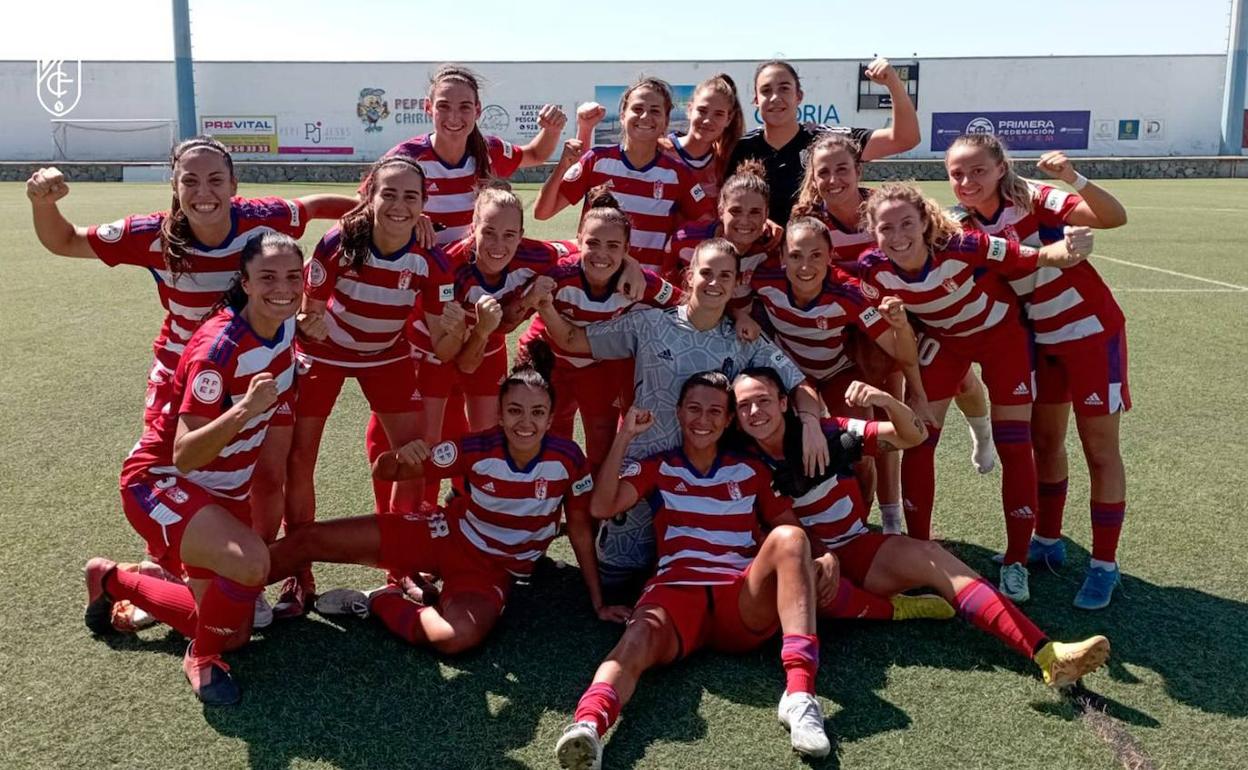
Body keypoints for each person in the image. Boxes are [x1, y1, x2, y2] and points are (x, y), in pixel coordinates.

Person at [27, 137, 353, 625]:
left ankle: (253, 574)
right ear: (175, 187)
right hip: (186, 376)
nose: (205, 192)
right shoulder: (151, 234)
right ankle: (165, 575)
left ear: (234, 185)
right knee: (177, 474)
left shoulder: (262, 218)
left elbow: (317, 205)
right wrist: (42, 203)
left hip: (264, 371)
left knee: (267, 474)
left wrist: (385, 209)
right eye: (191, 180)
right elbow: (65, 240)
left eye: (216, 179)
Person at [731, 368, 1111, 686]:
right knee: (807, 588)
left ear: (784, 403)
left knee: (932, 556)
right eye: (744, 405)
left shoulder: (828, 432)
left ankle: (1046, 653)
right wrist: (821, 556)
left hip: (857, 549)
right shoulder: (742, 464)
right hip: (806, 566)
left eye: (763, 400)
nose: (755, 411)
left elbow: (911, 436)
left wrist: (888, 401)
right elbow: (780, 532)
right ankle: (892, 609)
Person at [265, 351, 631, 655]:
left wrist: (598, 602)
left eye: (537, 413)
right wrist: (400, 457)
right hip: (442, 535)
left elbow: (581, 530)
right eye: (515, 411)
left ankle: (377, 601)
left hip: (489, 572)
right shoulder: (476, 448)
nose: (526, 422)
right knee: (307, 541)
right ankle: (229, 603)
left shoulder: (568, 459)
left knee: (454, 639)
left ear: (551, 418)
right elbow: (386, 472)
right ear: (500, 415)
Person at [555, 372, 830, 769]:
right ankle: (588, 727)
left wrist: (826, 554)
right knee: (636, 639)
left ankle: (800, 696)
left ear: (729, 420)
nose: (704, 419)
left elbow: (794, 531)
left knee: (789, 539)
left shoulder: (750, 470)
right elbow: (601, 507)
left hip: (741, 598)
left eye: (715, 411)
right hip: (677, 594)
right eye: (695, 409)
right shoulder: (659, 466)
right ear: (679, 412)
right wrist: (626, 436)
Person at [82, 232, 304, 706]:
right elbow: (185, 454)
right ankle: (201, 659)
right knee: (250, 564)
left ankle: (112, 580)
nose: (282, 287)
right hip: (160, 480)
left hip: (217, 493)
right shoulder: (218, 351)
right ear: (244, 282)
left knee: (237, 633)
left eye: (292, 276)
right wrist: (243, 410)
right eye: (267, 277)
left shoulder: (284, 325)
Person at [534, 238, 829, 591]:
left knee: (701, 576)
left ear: (736, 283)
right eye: (706, 273)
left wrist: (811, 421)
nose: (714, 283)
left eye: (725, 276)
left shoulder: (744, 338)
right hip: (641, 470)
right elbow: (571, 339)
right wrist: (546, 307)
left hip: (703, 485)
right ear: (689, 276)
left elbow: (799, 384)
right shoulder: (648, 324)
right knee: (616, 577)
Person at [858, 183, 1093, 602]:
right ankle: (921, 549)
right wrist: (917, 393)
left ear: (925, 221)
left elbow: (1034, 257)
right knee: (919, 437)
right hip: (947, 342)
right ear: (872, 232)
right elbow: (898, 335)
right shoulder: (872, 269)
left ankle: (1016, 560)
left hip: (1003, 340)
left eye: (906, 223)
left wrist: (1072, 248)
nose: (897, 236)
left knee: (1015, 445)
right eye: (885, 227)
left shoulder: (964, 244)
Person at [945, 135, 1130, 609]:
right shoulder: (963, 223)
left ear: (999, 167)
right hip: (1041, 343)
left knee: (1100, 452)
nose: (967, 181)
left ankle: (1104, 565)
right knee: (1045, 443)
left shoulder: (1031, 195)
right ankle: (1048, 540)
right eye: (957, 174)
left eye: (977, 171)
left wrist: (1072, 178)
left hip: (1090, 335)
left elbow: (1113, 217)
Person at [276, 155, 447, 617]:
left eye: (410, 196)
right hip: (326, 353)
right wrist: (310, 324)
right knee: (300, 457)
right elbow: (310, 311)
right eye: (388, 193)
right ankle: (298, 570)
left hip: (388, 354)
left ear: (424, 204)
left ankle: (401, 567)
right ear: (368, 196)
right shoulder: (337, 242)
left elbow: (439, 324)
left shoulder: (430, 257)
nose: (398, 204)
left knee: (414, 455)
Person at [791, 131, 997, 475]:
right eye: (823, 172)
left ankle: (983, 432)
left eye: (842, 169)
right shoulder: (812, 221)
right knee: (883, 413)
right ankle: (890, 513)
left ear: (859, 169)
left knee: (957, 380)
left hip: (907, 313)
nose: (833, 179)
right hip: (855, 329)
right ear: (813, 177)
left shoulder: (881, 209)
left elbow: (933, 235)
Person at [744, 216, 921, 527]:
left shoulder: (849, 293)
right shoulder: (764, 278)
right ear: (782, 257)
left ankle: (861, 525)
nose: (805, 266)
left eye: (815, 256)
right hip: (793, 374)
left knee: (859, 451)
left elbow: (898, 350)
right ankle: (788, 520)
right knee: (778, 447)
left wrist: (901, 327)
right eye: (796, 255)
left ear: (830, 256)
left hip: (839, 371)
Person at [519, 187, 682, 469]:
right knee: (551, 437)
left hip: (599, 364)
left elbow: (684, 304)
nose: (601, 254)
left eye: (613, 246)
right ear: (579, 240)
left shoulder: (640, 282)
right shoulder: (558, 273)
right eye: (592, 243)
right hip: (550, 358)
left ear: (627, 249)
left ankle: (596, 508)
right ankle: (552, 503)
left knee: (601, 438)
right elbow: (517, 261)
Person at [534, 76, 715, 275]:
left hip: (646, 289)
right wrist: (563, 165)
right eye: (637, 109)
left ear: (666, 121)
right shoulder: (596, 160)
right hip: (594, 284)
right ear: (622, 115)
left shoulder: (678, 174)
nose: (645, 116)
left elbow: (706, 225)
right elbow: (543, 212)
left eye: (655, 111)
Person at [380, 63, 567, 246]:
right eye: (443, 106)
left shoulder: (490, 150)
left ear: (477, 110)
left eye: (464, 107)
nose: (454, 117)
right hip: (421, 269)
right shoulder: (405, 158)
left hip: (472, 270)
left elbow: (534, 154)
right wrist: (406, 217)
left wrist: (552, 130)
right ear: (428, 108)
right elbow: (362, 207)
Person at [727, 58, 920, 225]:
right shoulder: (740, 149)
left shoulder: (827, 141)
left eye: (784, 89)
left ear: (799, 96)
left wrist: (893, 84)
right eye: (766, 91)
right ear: (756, 100)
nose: (775, 97)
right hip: (759, 262)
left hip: (818, 259)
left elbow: (905, 138)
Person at [658, 72, 746, 204]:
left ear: (728, 119)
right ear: (689, 109)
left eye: (718, 114)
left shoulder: (724, 165)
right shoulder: (659, 149)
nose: (707, 120)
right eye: (702, 111)